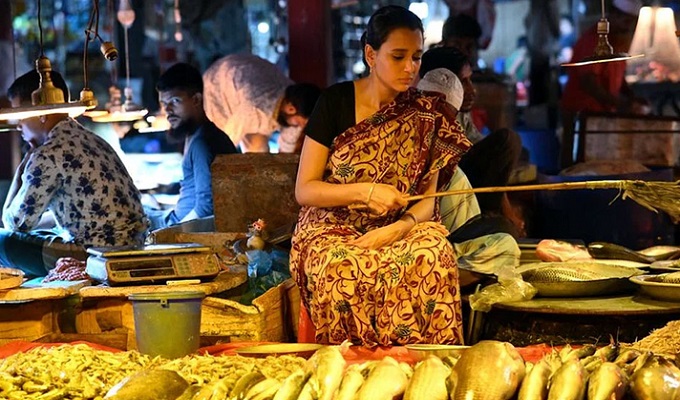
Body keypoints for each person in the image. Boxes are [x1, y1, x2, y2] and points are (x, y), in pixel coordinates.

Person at [290, 5, 471, 346]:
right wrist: (365, 192)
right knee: (343, 270)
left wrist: (397, 229)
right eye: (398, 56)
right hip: (332, 226)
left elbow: (426, 203)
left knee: (434, 254)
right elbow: (306, 189)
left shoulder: (427, 114)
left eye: (416, 57)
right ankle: (352, 375)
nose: (409, 68)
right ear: (371, 55)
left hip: (400, 227)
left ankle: (426, 370)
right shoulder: (335, 102)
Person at [0, 69, 147, 277]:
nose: (19, 125)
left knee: (2, 239)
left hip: (96, 256)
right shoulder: (92, 139)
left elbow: (15, 223)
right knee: (42, 234)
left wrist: (21, 171)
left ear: (41, 112)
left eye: (20, 115)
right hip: (132, 247)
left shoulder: (47, 154)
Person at [418, 46, 524, 238]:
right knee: (508, 140)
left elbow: (488, 160)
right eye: (463, 81)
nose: (472, 90)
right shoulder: (425, 115)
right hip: (442, 199)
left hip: (466, 187)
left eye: (470, 80)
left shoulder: (461, 115)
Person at [147, 62, 238, 231]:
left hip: (185, 228)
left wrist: (169, 234)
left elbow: (206, 209)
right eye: (163, 103)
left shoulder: (201, 143)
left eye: (175, 101)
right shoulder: (198, 134)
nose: (167, 110)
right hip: (177, 218)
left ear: (196, 99)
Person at [560, 0, 646, 167]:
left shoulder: (618, 42)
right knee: (578, 166)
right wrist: (619, 103)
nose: (629, 27)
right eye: (626, 21)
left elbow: (618, 78)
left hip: (601, 115)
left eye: (633, 22)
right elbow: (588, 82)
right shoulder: (594, 40)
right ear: (613, 16)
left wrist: (632, 97)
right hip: (581, 114)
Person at [202, 54, 321, 153]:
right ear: (290, 109)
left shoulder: (295, 96)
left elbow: (287, 147)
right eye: (300, 122)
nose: (300, 126)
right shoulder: (252, 110)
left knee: (258, 151)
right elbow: (225, 142)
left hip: (242, 71)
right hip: (216, 92)